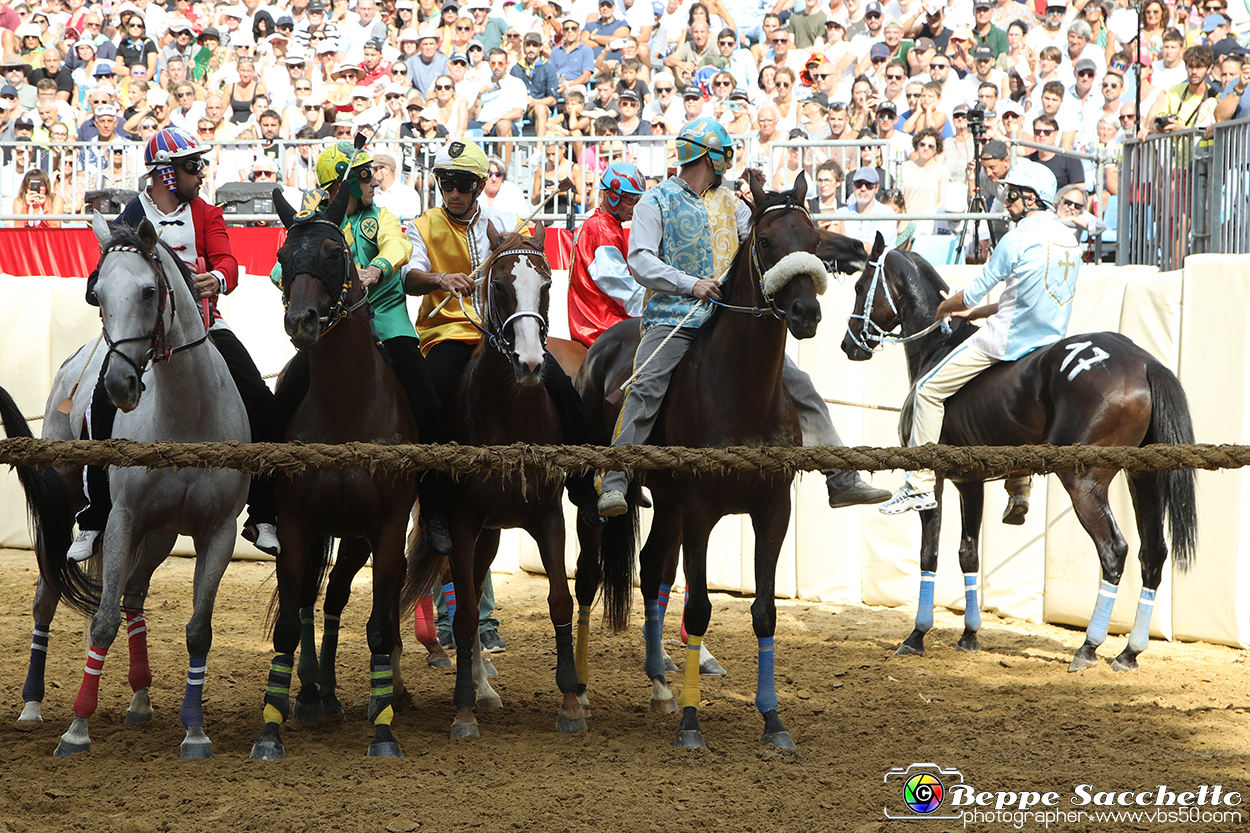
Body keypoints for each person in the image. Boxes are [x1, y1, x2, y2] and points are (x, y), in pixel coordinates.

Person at [596, 118, 889, 519]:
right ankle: (615, 479)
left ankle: (840, 477)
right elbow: (641, 260)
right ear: (706, 155)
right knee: (646, 383)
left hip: (729, 319)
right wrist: (691, 284)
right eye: (723, 154)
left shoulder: (732, 205)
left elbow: (768, 242)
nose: (727, 163)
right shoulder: (654, 201)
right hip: (672, 317)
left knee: (801, 385)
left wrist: (835, 246)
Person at [69, 127, 280, 562]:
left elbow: (228, 262)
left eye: (199, 164)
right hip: (141, 335)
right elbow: (101, 275)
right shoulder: (129, 216)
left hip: (205, 328)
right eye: (192, 166)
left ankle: (262, 513)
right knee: (97, 407)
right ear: (166, 174)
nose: (201, 174)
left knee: (262, 401)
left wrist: (217, 278)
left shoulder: (206, 213)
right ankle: (92, 520)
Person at [402, 138, 604, 524]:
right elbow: (410, 278)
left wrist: (519, 246)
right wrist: (440, 278)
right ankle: (434, 504)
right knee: (429, 400)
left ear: (480, 185)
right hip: (448, 334)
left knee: (563, 388)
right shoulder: (422, 226)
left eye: (463, 183)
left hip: (504, 335)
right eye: (446, 182)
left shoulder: (508, 221)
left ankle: (582, 483)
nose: (454, 192)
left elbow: (531, 254)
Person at [270, 139, 452, 554]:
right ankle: (265, 505)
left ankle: (435, 510)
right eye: (366, 175)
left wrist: (376, 268)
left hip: (389, 325)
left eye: (374, 173)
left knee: (429, 406)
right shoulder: (313, 225)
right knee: (282, 401)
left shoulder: (381, 217)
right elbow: (279, 270)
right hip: (330, 337)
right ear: (343, 184)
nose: (375, 181)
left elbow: (400, 246)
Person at [880, 161, 1080, 523]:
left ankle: (920, 484)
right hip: (1049, 342)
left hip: (1008, 341)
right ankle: (1019, 487)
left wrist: (944, 308)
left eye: (1011, 192)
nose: (1006, 199)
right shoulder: (1069, 237)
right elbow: (1024, 294)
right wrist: (977, 314)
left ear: (1031, 198)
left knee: (926, 390)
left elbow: (970, 293)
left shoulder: (1016, 239)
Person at [568, 161, 647, 347]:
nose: (635, 206)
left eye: (638, 199)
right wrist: (653, 302)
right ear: (611, 196)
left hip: (600, 321)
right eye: (630, 199)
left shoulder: (603, 224)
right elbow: (615, 281)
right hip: (603, 326)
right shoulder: (602, 229)